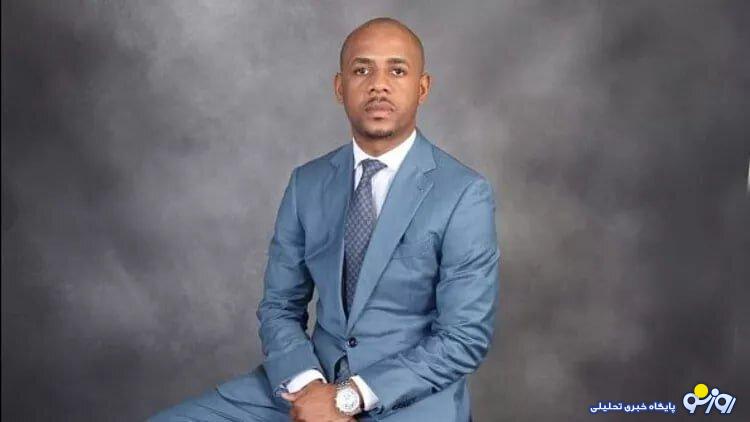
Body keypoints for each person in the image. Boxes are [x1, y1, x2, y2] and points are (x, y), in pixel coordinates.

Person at [150, 17, 499, 422]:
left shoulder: (463, 193)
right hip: (308, 383)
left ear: (422, 88)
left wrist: (347, 398)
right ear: (339, 87)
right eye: (362, 70)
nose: (379, 85)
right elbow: (280, 306)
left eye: (397, 71)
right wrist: (309, 386)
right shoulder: (307, 183)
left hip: (409, 396)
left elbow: (463, 338)